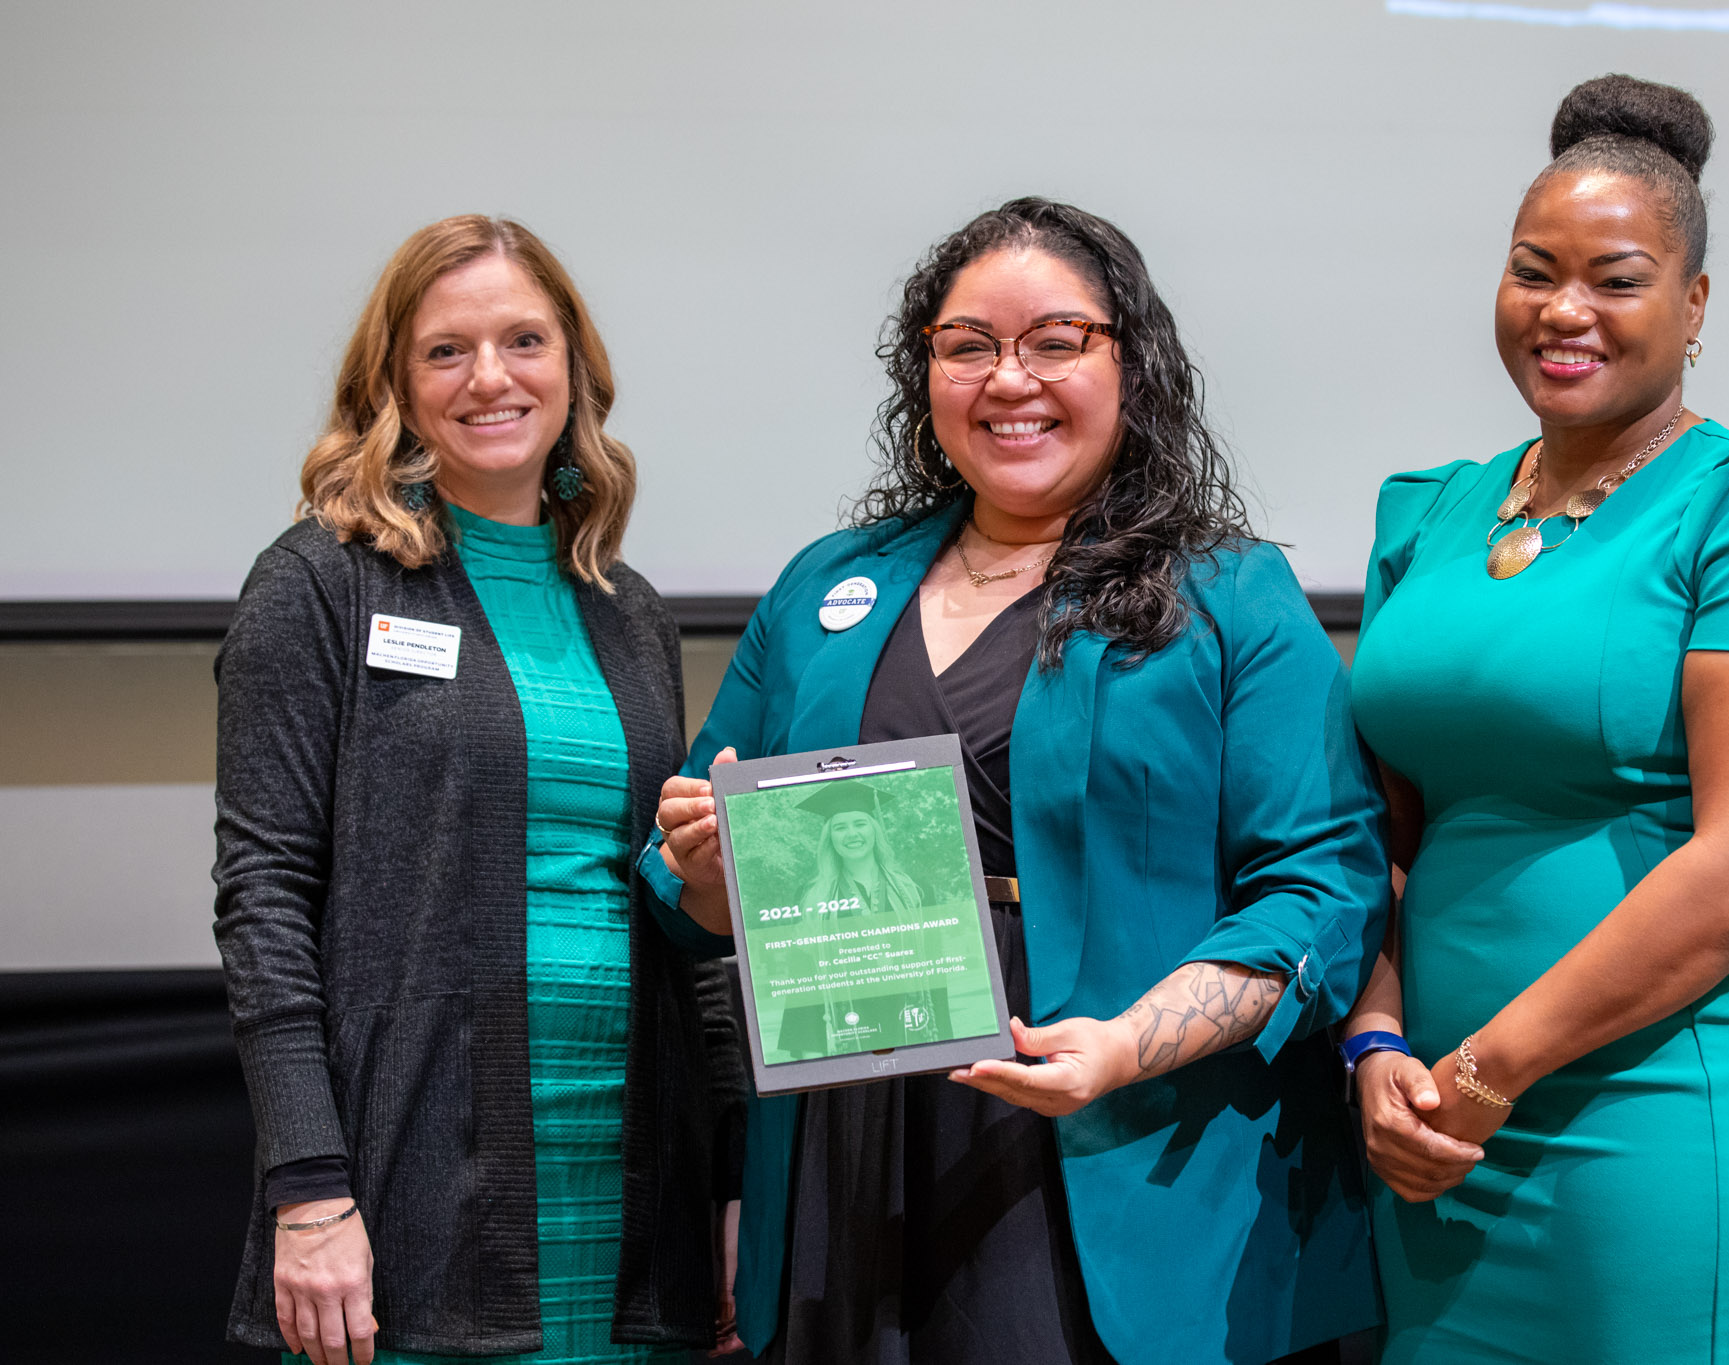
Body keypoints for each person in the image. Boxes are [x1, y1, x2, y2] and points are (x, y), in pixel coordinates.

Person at [641, 198, 1391, 1365]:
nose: (1009, 380)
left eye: (1055, 340)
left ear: (1130, 365)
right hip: (846, 1149)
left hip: (1125, 1132)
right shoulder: (823, 590)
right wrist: (703, 871)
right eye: (967, 346)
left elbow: (1323, 889)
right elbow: (682, 882)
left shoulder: (1229, 595)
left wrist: (1129, 1046)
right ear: (922, 374)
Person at [1343, 76, 1729, 1363]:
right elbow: (1385, 827)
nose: (1563, 311)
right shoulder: (1426, 512)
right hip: (1432, 1128)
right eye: (1532, 271)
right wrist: (1376, 1042)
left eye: (1615, 278)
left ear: (1692, 305)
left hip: (1678, 1111)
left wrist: (1487, 1071)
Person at [212, 215, 747, 1365]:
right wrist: (307, 1191)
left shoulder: (628, 610)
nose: (490, 377)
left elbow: (679, 898)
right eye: (446, 350)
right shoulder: (318, 584)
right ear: (394, 383)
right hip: (413, 1177)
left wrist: (733, 1183)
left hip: (632, 1172)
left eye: (523, 340)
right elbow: (261, 902)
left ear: (573, 370)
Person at [797, 781, 925, 915]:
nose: (852, 834)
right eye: (840, 827)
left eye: (860, 824)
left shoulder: (915, 889)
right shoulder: (810, 897)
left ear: (874, 831)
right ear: (829, 837)